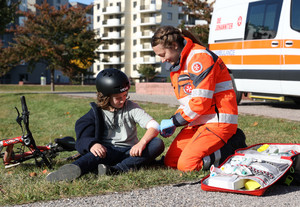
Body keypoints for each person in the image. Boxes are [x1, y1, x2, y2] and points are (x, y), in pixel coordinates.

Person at [151, 25, 246, 172]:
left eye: (163, 54)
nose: (163, 60)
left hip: (218, 122)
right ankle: (218, 148)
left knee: (187, 165)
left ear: (175, 45)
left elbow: (200, 102)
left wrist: (175, 121)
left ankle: (232, 147)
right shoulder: (180, 64)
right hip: (198, 122)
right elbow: (188, 101)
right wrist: (174, 120)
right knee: (171, 161)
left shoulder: (199, 58)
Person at [46, 68, 165, 182]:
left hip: (131, 151)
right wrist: (92, 144)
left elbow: (154, 125)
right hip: (106, 152)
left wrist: (141, 144)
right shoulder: (96, 112)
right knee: (93, 155)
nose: (123, 100)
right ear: (105, 97)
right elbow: (83, 134)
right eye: (118, 98)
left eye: (125, 95)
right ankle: (69, 172)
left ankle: (116, 170)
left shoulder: (131, 107)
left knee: (157, 144)